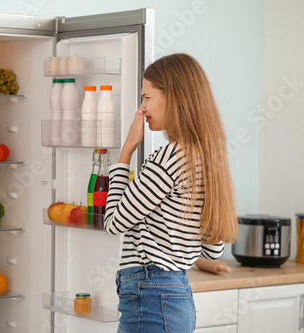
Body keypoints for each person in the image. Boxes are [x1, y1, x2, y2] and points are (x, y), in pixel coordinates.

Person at [104, 53, 238, 333]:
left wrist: (125, 153)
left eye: (147, 97)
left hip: (150, 296)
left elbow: (113, 222)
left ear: (173, 97)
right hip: (177, 295)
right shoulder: (208, 158)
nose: (142, 107)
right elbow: (213, 250)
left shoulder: (167, 159)